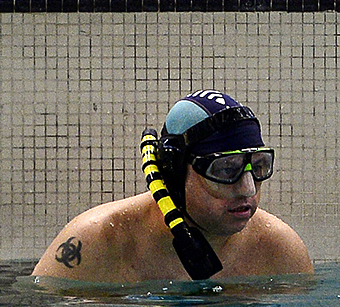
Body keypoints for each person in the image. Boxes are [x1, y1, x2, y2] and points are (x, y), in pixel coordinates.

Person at [35, 91, 311, 284]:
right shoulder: (98, 240)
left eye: (259, 166)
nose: (248, 189)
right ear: (175, 172)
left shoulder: (279, 250)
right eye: (227, 170)